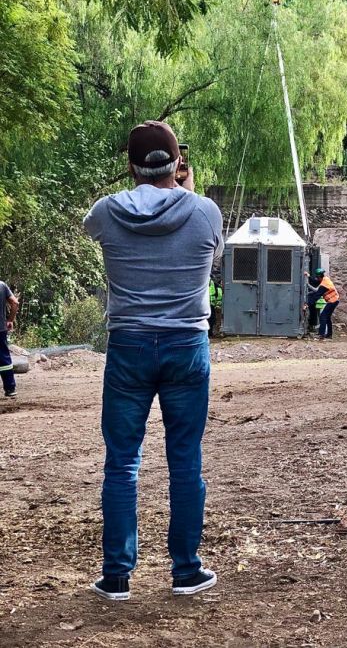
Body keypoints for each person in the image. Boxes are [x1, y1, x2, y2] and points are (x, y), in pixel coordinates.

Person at [83, 120, 223, 601]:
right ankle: (186, 570)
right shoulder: (205, 212)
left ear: (130, 165)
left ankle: (117, 575)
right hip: (187, 348)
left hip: (129, 348)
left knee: (122, 463)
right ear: (177, 162)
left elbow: (92, 228)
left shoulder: (106, 212)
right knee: (185, 461)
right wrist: (185, 188)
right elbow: (210, 248)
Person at [306, 269, 339, 340]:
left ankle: (321, 335)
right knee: (327, 317)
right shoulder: (325, 279)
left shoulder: (324, 285)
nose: (316, 279)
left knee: (322, 316)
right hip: (335, 300)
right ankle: (329, 335)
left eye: (317, 277)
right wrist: (309, 276)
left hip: (332, 301)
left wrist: (307, 304)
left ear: (319, 277)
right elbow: (316, 282)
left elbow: (317, 295)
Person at [0, 281, 19, 398]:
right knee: (4, 359)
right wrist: (10, 320)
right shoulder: (2, 285)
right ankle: (10, 389)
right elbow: (15, 302)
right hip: (0, 329)